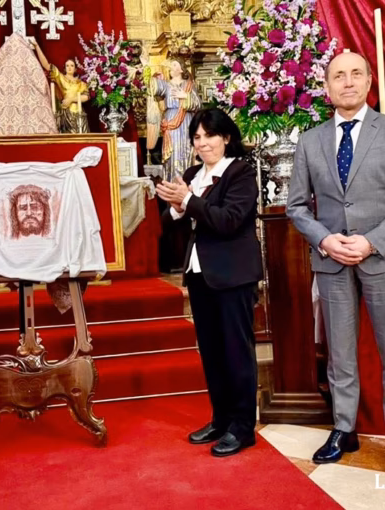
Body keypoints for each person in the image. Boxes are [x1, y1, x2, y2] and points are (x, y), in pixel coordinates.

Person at [286, 52, 385, 475]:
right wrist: (326, 240)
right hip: (332, 262)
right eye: (337, 75)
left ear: (368, 81)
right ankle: (344, 428)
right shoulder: (310, 141)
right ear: (326, 87)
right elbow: (297, 206)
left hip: (383, 259)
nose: (346, 82)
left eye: (355, 74)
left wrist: (371, 241)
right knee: (340, 354)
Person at [156, 107, 263, 457]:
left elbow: (229, 220)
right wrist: (174, 207)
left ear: (226, 137)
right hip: (200, 273)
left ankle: (243, 427)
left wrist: (188, 200)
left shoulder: (241, 172)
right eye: (197, 137)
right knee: (213, 353)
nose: (203, 143)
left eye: (209, 136)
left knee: (237, 351)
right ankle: (221, 419)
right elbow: (170, 226)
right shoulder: (192, 174)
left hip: (233, 274)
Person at [149, 57, 201, 181]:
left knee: (185, 151)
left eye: (174, 65)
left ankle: (186, 184)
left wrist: (185, 96)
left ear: (181, 69)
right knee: (172, 155)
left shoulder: (189, 85)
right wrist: (148, 70)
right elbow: (152, 86)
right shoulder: (166, 85)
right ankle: (172, 185)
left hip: (186, 122)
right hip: (171, 121)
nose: (171, 68)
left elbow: (198, 105)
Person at [30, 38, 89, 133]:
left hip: (79, 115)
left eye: (72, 66)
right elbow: (46, 65)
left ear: (75, 69)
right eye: (67, 66)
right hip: (67, 116)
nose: (69, 68)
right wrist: (37, 47)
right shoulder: (61, 78)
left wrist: (70, 100)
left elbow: (86, 96)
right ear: (64, 68)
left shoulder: (81, 83)